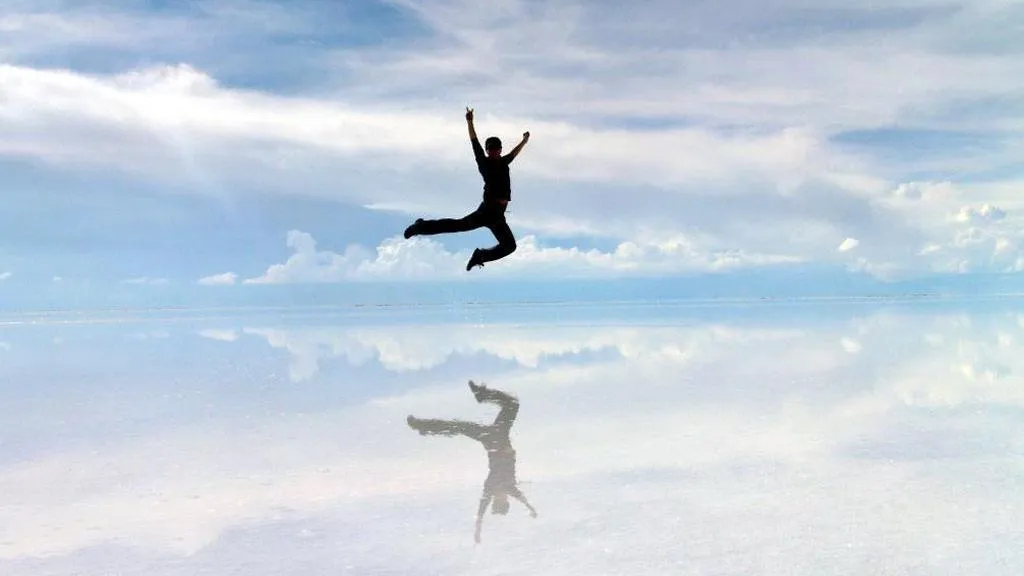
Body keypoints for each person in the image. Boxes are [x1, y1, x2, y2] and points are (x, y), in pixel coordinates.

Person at [407, 381, 537, 543]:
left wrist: (477, 532)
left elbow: (481, 513)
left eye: (500, 500)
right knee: (507, 406)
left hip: (494, 439)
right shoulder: (509, 488)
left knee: (462, 426)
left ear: (497, 501)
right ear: (506, 500)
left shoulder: (491, 489)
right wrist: (530, 509)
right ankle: (425, 426)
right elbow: (522, 499)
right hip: (497, 436)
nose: (502, 497)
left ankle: (423, 426)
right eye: (503, 499)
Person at [404, 108, 530, 271]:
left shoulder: (504, 162)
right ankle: (420, 227)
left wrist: (524, 141)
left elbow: (514, 153)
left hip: (498, 216)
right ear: (487, 151)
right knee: (457, 225)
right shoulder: (484, 163)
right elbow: (474, 141)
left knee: (510, 246)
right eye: (490, 149)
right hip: (487, 211)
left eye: (496, 149)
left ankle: (480, 256)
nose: (493, 151)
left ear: (500, 149)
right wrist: (470, 122)